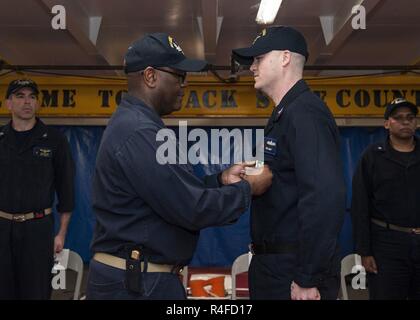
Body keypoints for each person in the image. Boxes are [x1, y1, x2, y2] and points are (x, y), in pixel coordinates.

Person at [86, 33, 272, 300]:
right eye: (179, 76)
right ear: (150, 77)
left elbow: (175, 191)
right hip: (134, 285)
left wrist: (221, 180)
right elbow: (191, 207)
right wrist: (248, 188)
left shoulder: (143, 126)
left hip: (143, 279)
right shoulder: (139, 132)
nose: (184, 85)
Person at [232, 26, 346, 300]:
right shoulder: (284, 114)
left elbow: (324, 197)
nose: (252, 67)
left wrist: (308, 276)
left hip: (294, 270)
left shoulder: (305, 113)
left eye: (259, 59)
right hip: (273, 265)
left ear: (285, 58)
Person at [0, 79, 75, 299]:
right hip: (2, 228)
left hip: (38, 230)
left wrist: (61, 233)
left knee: (37, 292)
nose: (27, 102)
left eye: (32, 97)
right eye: (20, 96)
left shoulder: (54, 141)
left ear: (38, 103)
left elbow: (66, 190)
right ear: (8, 104)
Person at [351, 98, 420, 300]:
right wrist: (364, 251)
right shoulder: (372, 156)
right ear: (387, 124)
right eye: (398, 118)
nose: (405, 122)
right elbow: (360, 205)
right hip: (387, 246)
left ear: (416, 122)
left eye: (410, 117)